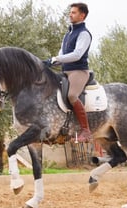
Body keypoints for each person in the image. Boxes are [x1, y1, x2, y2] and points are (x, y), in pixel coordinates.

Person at [47, 2, 92, 143]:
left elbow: (77, 54)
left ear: (82, 15)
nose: (70, 14)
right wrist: (48, 63)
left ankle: (86, 131)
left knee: (72, 95)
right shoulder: (67, 35)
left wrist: (55, 58)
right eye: (70, 12)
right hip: (65, 71)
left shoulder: (84, 34)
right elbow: (62, 55)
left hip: (78, 71)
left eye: (73, 12)